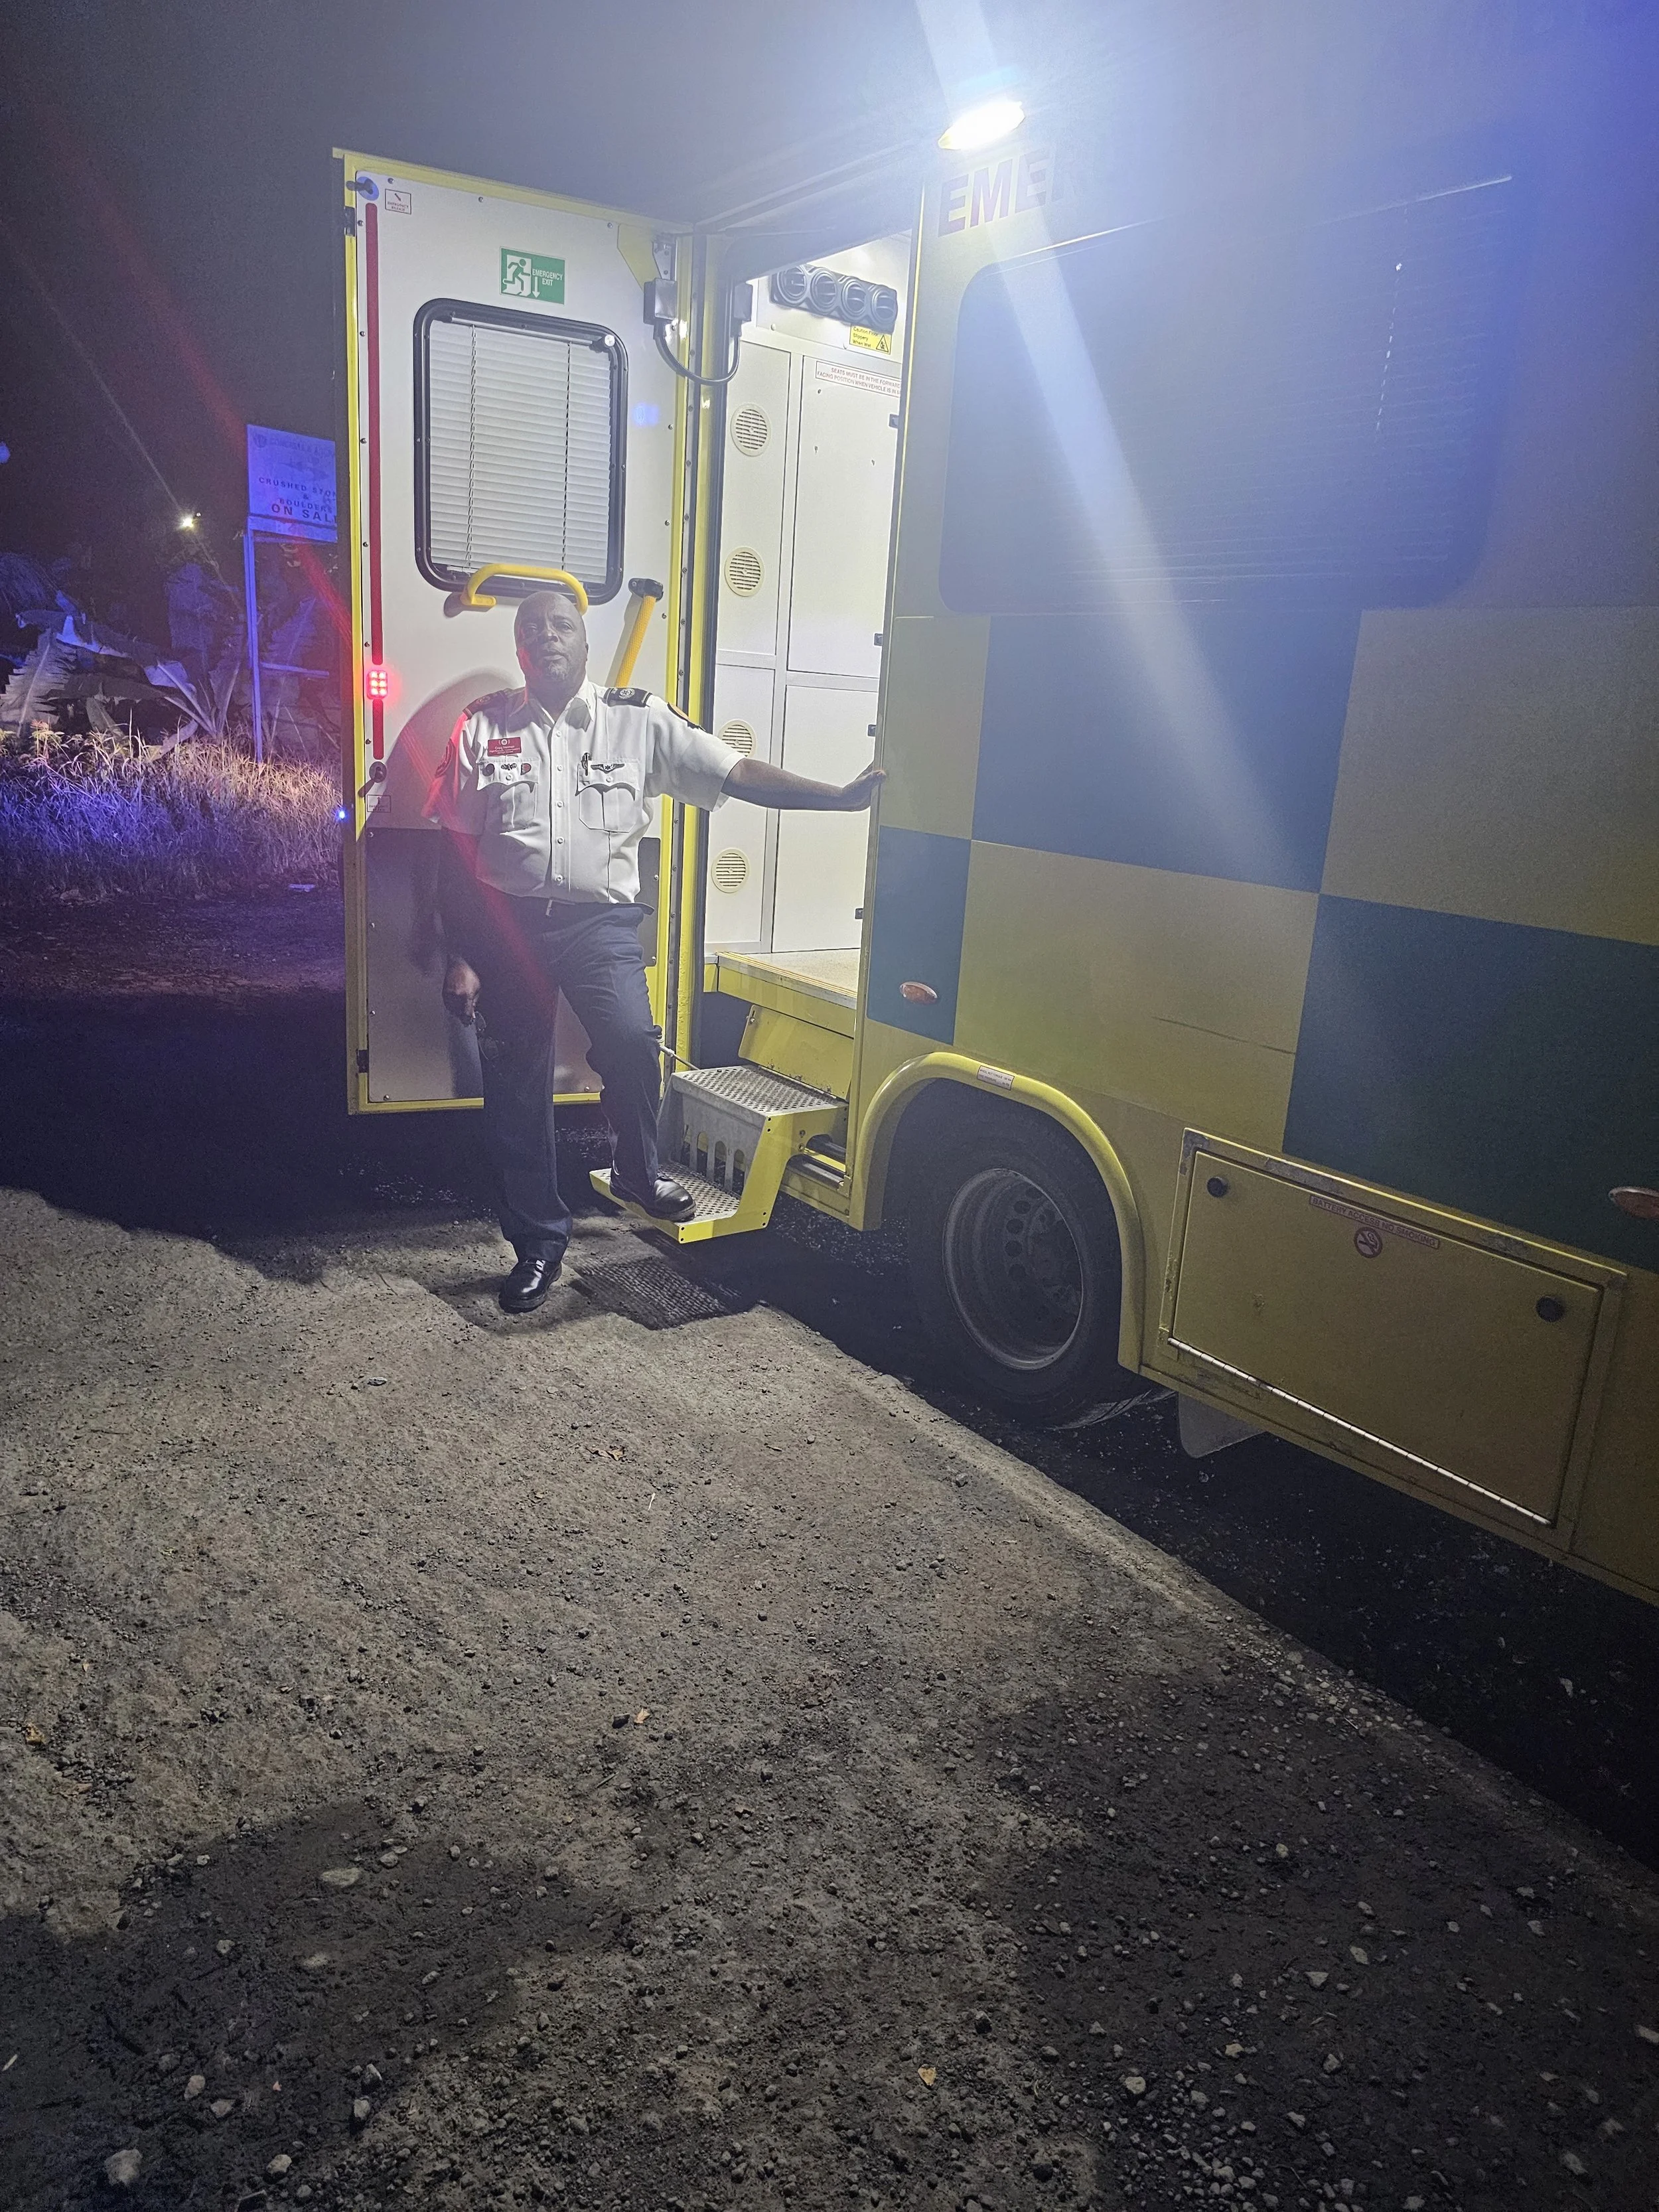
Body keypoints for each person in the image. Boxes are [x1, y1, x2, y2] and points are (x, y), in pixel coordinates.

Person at [425, 585, 881, 1314]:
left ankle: (637, 1171)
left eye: (561, 626)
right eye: (532, 628)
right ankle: (539, 1243)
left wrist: (835, 797)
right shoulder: (482, 727)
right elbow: (456, 852)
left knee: (635, 1042)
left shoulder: (637, 720)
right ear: (517, 648)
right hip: (506, 927)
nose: (547, 638)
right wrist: (462, 953)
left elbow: (735, 771)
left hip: (599, 926)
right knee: (515, 1091)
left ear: (583, 641)